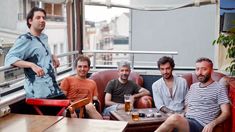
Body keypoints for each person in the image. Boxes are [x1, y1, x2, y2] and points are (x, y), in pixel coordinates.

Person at [155, 57, 230, 132]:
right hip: (188, 120)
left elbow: (226, 112)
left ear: (211, 70)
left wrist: (212, 124)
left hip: (202, 125)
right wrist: (182, 115)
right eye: (197, 69)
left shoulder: (219, 87)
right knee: (170, 122)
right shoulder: (193, 87)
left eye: (204, 69)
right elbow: (188, 107)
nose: (200, 72)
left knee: (174, 118)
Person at [4, 7, 64, 99]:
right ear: (30, 21)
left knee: (75, 110)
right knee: (72, 112)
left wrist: (52, 56)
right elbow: (9, 58)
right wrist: (32, 65)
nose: (42, 20)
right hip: (39, 94)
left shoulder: (44, 37)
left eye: (44, 18)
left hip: (53, 88)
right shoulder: (25, 39)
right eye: (38, 17)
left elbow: (39, 52)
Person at [60, 55, 103, 119]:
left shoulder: (92, 83)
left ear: (88, 68)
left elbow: (95, 99)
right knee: (71, 111)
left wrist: (95, 104)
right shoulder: (67, 80)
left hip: (87, 109)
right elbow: (62, 99)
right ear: (76, 68)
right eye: (80, 66)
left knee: (90, 106)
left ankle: (103, 127)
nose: (82, 69)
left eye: (85, 67)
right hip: (72, 107)